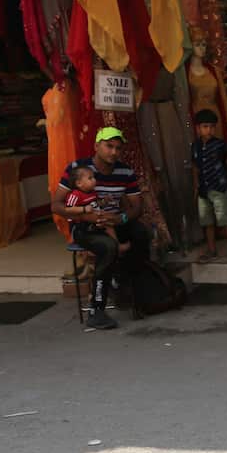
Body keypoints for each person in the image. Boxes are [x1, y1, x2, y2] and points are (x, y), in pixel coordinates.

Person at [52, 127, 152, 330]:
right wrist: (86, 215)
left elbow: (137, 206)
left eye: (118, 148)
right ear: (97, 146)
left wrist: (119, 218)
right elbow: (57, 205)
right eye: (109, 146)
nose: (114, 152)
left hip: (113, 222)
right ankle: (96, 309)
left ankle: (129, 287)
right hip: (85, 226)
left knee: (142, 233)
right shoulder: (78, 169)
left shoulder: (125, 172)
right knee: (108, 247)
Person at [192, 109, 227, 268]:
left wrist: (226, 164)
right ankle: (212, 250)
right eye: (205, 126)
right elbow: (194, 166)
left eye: (212, 127)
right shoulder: (195, 146)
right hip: (203, 190)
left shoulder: (220, 145)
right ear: (198, 129)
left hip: (218, 188)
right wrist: (195, 185)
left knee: (224, 220)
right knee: (207, 222)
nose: (209, 130)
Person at [65, 166, 128, 254]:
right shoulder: (75, 194)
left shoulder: (92, 192)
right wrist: (83, 209)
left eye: (94, 177)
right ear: (79, 183)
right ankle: (120, 219)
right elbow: (68, 210)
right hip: (80, 225)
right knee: (103, 220)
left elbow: (96, 204)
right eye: (90, 178)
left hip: (94, 221)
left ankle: (118, 246)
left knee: (108, 225)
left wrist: (104, 201)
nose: (94, 180)